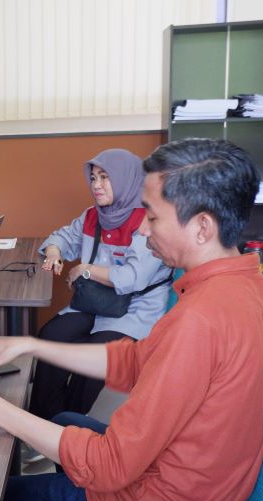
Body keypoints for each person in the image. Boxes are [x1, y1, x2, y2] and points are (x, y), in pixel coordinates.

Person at [0, 138, 263, 501]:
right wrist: (29, 345)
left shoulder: (199, 320)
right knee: (65, 420)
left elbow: (109, 465)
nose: (142, 227)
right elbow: (133, 360)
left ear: (202, 227)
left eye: (151, 216)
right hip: (204, 491)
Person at [30, 149, 172, 420]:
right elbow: (61, 237)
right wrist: (54, 253)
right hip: (94, 301)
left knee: (100, 354)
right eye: (93, 178)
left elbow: (133, 278)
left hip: (134, 308)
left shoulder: (147, 221)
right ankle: (43, 418)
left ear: (126, 179)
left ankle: (70, 424)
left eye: (105, 177)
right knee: (51, 335)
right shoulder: (93, 215)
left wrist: (85, 270)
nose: (96, 185)